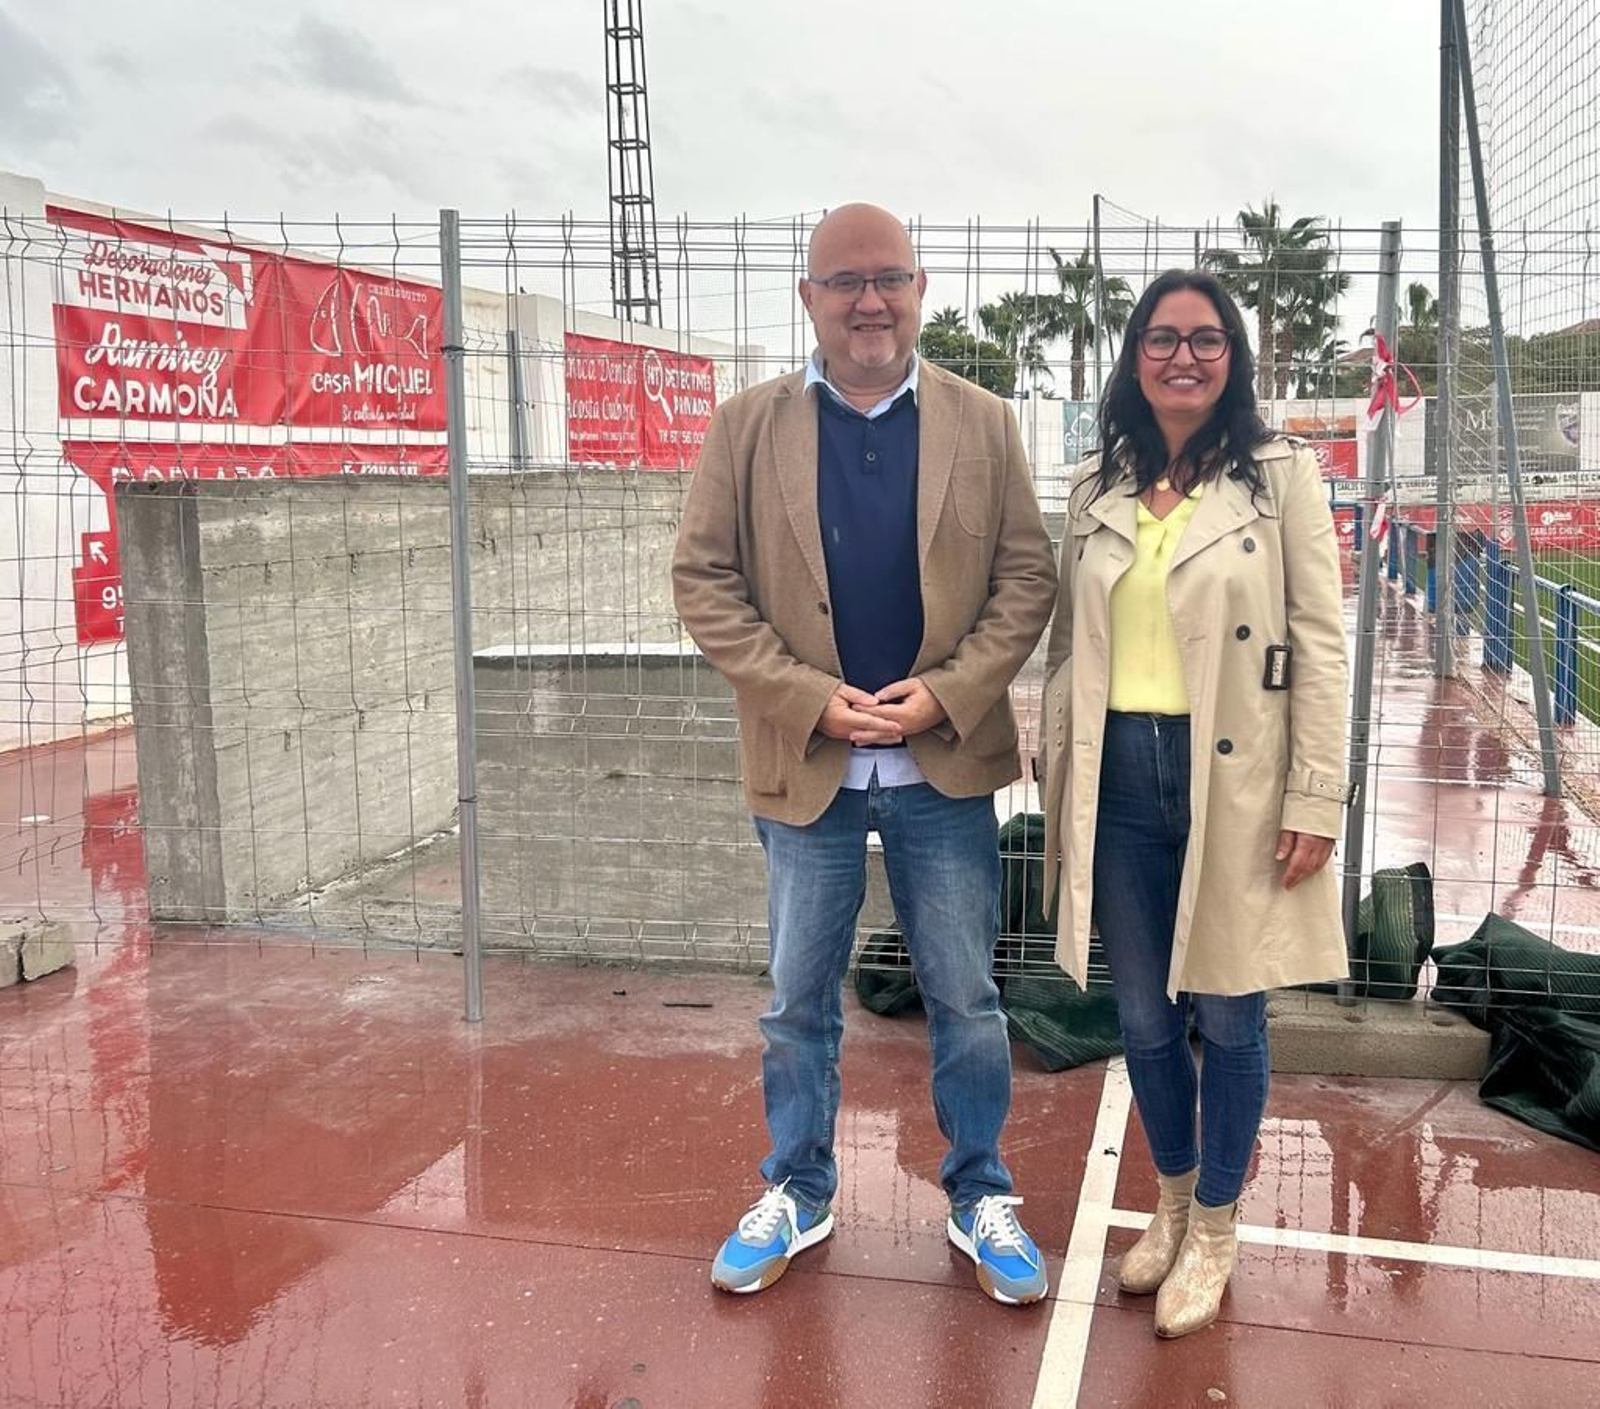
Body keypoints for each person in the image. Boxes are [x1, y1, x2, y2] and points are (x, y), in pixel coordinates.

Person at [672, 202, 1058, 1303]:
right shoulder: (746, 427)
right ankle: (797, 1185)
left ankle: (979, 1190)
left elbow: (1025, 575)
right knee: (796, 999)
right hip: (809, 770)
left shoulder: (982, 423)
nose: (869, 301)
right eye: (844, 281)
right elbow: (704, 580)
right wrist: (808, 698)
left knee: (966, 999)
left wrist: (943, 691)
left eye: (888, 277)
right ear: (808, 299)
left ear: (920, 288)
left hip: (943, 768)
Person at [1039, 269, 1351, 1337]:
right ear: (1133, 356)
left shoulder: (1279, 477)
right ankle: (1169, 1201)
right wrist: (1055, 766)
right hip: (1119, 775)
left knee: (1229, 1007)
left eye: (1206, 338)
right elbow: (1063, 646)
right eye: (1163, 337)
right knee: (1139, 1015)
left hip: (1237, 777)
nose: (1184, 355)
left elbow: (1320, 640)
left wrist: (1314, 789)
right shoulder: (1095, 485)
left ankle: (1216, 1225)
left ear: (1235, 356)